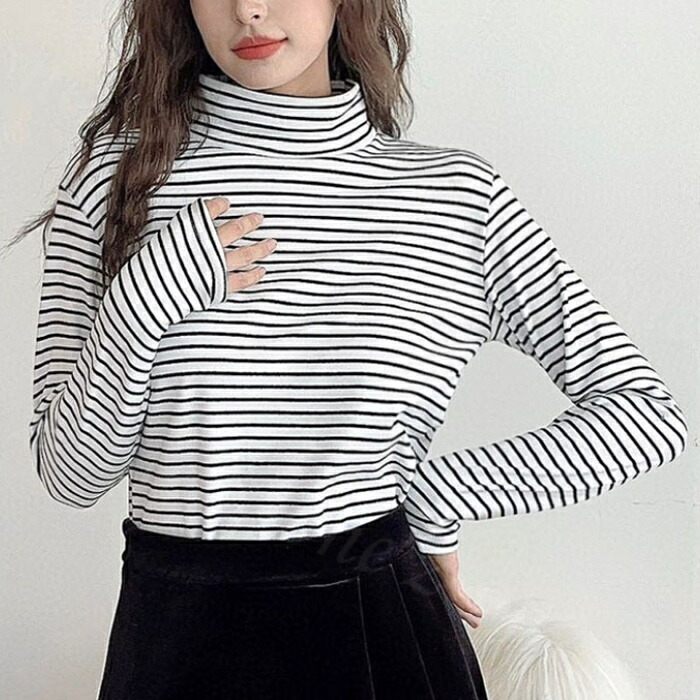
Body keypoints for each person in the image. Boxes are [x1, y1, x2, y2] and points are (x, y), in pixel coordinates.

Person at [10, 0, 688, 698]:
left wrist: (438, 493)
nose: (249, 10)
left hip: (386, 640)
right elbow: (70, 476)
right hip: (173, 645)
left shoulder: (454, 198)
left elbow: (645, 416)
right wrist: (144, 299)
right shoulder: (115, 178)